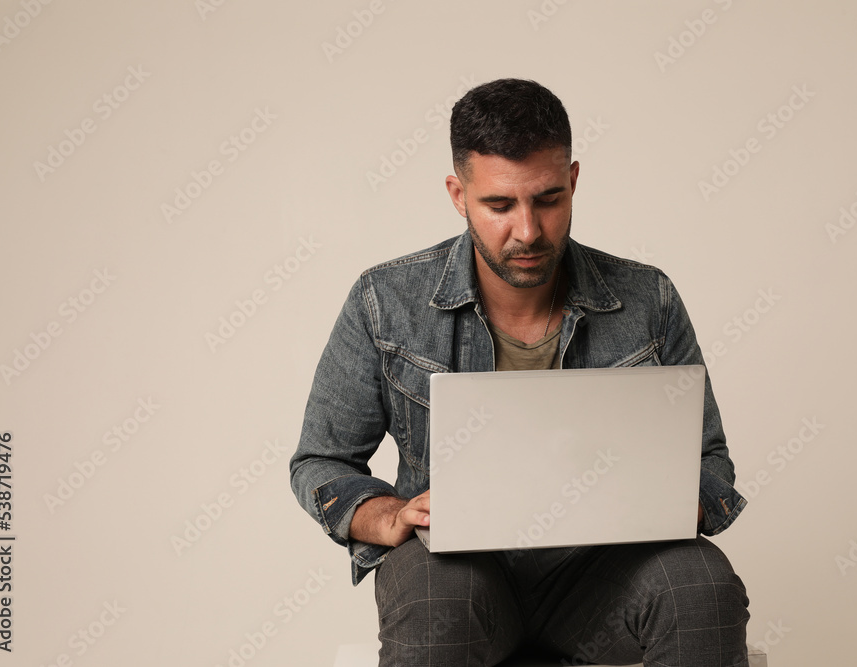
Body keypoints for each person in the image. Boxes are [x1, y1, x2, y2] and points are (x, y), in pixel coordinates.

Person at [290, 78, 750, 667]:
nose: (528, 231)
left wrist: (689, 501)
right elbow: (320, 461)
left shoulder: (648, 298)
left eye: (549, 199)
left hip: (604, 578)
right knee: (435, 599)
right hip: (458, 575)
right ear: (459, 194)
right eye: (500, 205)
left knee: (701, 586)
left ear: (574, 181)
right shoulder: (386, 299)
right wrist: (391, 516)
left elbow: (710, 460)